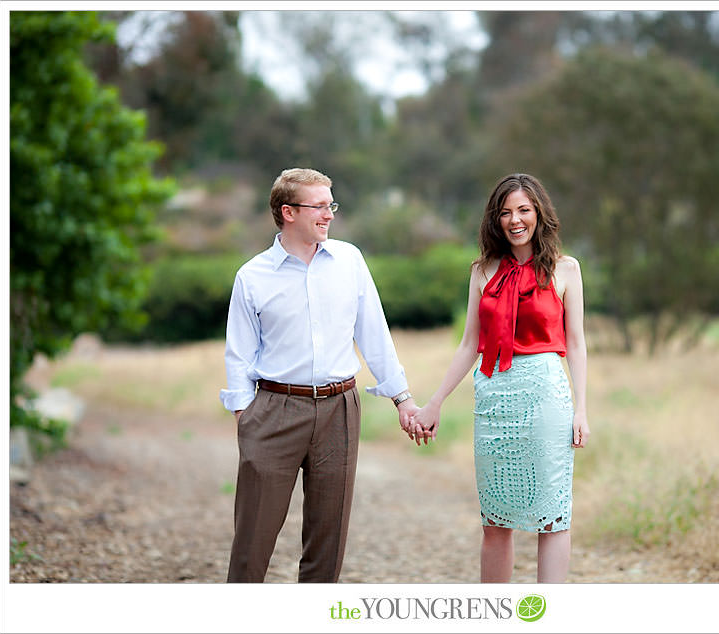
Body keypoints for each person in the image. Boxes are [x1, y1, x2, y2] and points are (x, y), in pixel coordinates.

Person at [220, 167, 417, 583]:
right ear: (288, 212)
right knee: (252, 542)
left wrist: (402, 398)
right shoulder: (252, 276)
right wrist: (245, 415)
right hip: (273, 410)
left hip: (339, 410)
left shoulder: (350, 261)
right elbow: (239, 352)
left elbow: (374, 333)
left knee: (327, 544)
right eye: (320, 206)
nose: (329, 215)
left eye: (332, 205)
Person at [408, 173, 589, 583]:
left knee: (552, 513)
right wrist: (435, 402)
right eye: (506, 212)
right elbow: (470, 343)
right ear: (496, 219)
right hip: (493, 397)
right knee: (495, 518)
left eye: (524, 210)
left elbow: (576, 344)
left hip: (545, 395)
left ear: (540, 214)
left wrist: (581, 409)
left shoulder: (567, 269)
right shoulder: (482, 270)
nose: (515, 220)